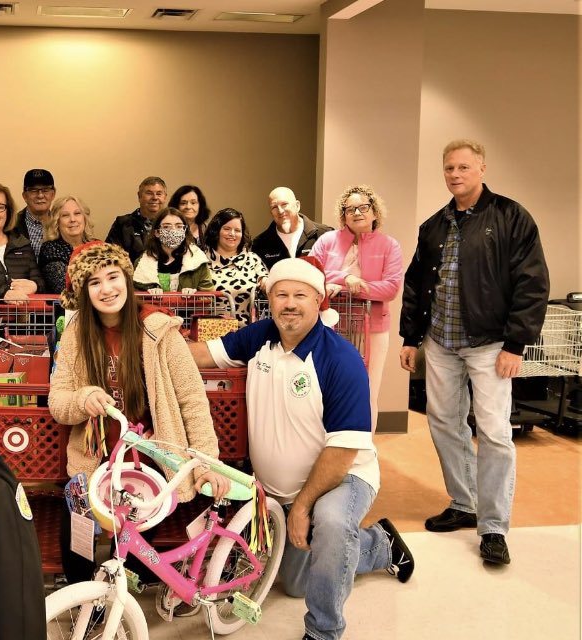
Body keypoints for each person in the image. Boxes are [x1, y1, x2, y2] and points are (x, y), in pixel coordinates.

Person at [191, 256, 414, 640]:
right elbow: (200, 355)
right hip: (281, 491)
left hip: (342, 478)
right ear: (270, 300)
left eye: (300, 295)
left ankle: (323, 631)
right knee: (295, 583)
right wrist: (149, 338)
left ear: (319, 301)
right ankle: (380, 544)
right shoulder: (258, 336)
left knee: (330, 523)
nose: (289, 303)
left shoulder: (340, 359)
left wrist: (305, 506)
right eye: (281, 294)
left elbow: (343, 452)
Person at [48, 241, 229, 609]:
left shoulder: (158, 331)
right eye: (94, 282)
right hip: (96, 459)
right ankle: (86, 604)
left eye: (113, 277)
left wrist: (207, 463)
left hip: (151, 460)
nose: (107, 289)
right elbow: (58, 402)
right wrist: (85, 398)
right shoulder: (76, 332)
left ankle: (130, 596)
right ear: (83, 291)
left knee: (140, 558)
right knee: (77, 528)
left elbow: (192, 400)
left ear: (128, 280)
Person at [399, 139, 549, 566]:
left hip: (490, 345)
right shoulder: (433, 226)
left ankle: (494, 526)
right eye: (449, 168)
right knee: (445, 424)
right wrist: (411, 337)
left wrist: (516, 344)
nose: (455, 174)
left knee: (496, 433)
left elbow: (532, 282)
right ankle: (464, 503)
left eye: (464, 166)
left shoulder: (510, 217)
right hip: (441, 344)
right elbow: (415, 285)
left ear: (482, 168)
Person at [311, 185, 403, 430]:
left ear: (374, 213)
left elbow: (391, 288)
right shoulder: (326, 241)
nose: (357, 212)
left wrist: (351, 287)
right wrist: (346, 278)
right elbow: (312, 272)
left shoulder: (389, 245)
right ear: (343, 215)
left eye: (363, 207)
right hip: (330, 326)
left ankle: (363, 450)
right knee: (326, 388)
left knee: (367, 389)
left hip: (372, 328)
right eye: (350, 209)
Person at [202, 208, 268, 326]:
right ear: (216, 231)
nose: (232, 234)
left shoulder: (252, 259)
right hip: (212, 334)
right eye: (227, 229)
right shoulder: (202, 260)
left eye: (237, 230)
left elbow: (265, 280)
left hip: (247, 334)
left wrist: (266, 282)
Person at [133, 208, 214, 294]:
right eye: (167, 226)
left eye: (179, 226)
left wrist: (195, 296)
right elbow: (134, 299)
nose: (173, 231)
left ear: (184, 230)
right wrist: (148, 294)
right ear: (157, 232)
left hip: (188, 308)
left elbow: (209, 298)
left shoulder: (198, 260)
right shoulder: (142, 263)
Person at [251, 186, 332, 270]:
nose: (280, 211)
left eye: (284, 204)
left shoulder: (324, 234)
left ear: (297, 206)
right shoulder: (260, 244)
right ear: (271, 212)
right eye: (274, 207)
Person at [38, 195, 95, 295]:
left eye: (77, 213)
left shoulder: (97, 246)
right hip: (66, 309)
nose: (72, 219)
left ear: (84, 218)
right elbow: (65, 288)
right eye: (65, 215)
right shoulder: (50, 248)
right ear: (57, 222)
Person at [106, 176, 167, 263]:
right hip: (133, 275)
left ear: (165, 197)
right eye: (149, 193)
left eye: (159, 193)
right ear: (139, 196)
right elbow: (111, 257)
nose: (154, 197)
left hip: (166, 275)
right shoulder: (122, 224)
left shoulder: (174, 225)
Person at [12, 169, 56, 258]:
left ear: (53, 194)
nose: (40, 195)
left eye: (45, 190)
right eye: (33, 190)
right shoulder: (11, 225)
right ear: (24, 196)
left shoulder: (61, 223)